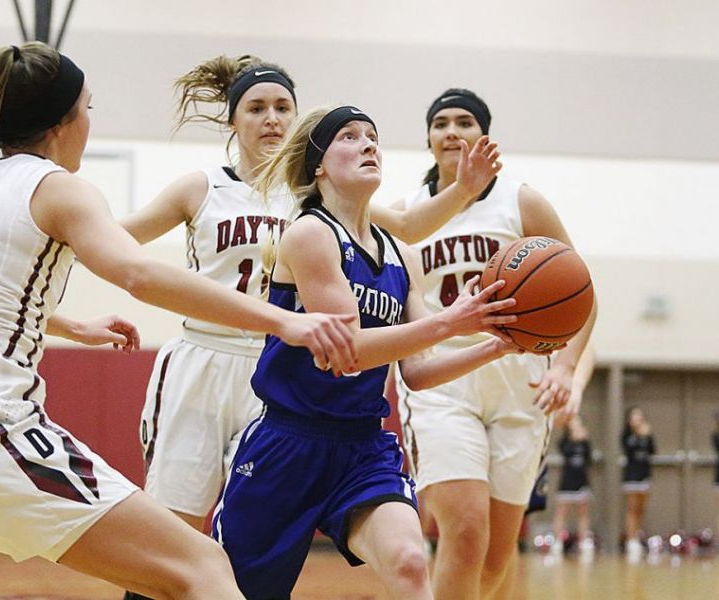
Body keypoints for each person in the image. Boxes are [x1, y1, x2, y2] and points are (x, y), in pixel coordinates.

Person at [0, 42, 362, 600]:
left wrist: (69, 326)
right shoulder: (59, 187)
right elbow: (137, 272)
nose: (91, 120)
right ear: (63, 122)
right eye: (89, 108)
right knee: (202, 568)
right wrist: (286, 323)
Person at [119, 55, 504, 543]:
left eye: (283, 107)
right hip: (203, 360)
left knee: (245, 537)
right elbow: (113, 240)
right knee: (172, 530)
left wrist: (464, 192)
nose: (272, 118)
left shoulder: (312, 196)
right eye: (256, 108)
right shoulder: (203, 186)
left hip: (275, 368)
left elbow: (408, 227)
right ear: (233, 121)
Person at [211, 104, 528, 600]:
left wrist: (494, 344)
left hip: (362, 446)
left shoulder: (397, 254)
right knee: (240, 590)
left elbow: (418, 371)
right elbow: (348, 352)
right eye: (350, 137)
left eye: (373, 137)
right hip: (286, 444)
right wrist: (450, 321)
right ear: (318, 164)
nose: (368, 145)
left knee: (408, 562)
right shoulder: (310, 234)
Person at [372, 88, 598, 600]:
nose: (452, 131)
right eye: (440, 123)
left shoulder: (521, 201)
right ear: (429, 140)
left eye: (465, 122)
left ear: (484, 137)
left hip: (519, 385)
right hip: (441, 383)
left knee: (496, 555)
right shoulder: (405, 214)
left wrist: (564, 370)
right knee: (466, 531)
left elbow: (583, 296)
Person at [551, 415, 594, 556]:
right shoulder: (565, 441)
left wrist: (585, 441)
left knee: (583, 513)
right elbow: (564, 451)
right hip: (567, 481)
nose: (576, 425)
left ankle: (584, 541)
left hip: (582, 481)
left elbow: (589, 459)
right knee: (562, 512)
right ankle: (557, 542)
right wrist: (574, 439)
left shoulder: (585, 442)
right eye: (573, 423)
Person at [623, 405, 656, 562]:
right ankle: (631, 540)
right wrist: (637, 435)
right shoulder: (627, 435)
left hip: (644, 474)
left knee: (641, 508)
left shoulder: (647, 434)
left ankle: (638, 535)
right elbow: (627, 449)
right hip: (631, 475)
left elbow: (653, 451)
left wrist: (647, 436)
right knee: (632, 508)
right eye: (633, 417)